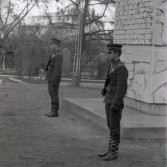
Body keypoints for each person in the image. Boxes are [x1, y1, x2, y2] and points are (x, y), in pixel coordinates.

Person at [98, 43, 128, 160]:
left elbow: (122, 88)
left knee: (115, 127)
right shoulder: (113, 65)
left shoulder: (121, 68)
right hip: (109, 98)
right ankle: (110, 149)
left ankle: (114, 151)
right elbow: (110, 81)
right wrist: (105, 89)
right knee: (110, 125)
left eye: (110, 53)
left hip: (115, 101)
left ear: (116, 53)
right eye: (108, 52)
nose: (108, 54)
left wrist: (116, 103)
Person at [44, 38, 63, 117]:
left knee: (54, 94)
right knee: (51, 94)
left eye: (51, 44)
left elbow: (57, 69)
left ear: (56, 44)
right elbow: (50, 64)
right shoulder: (53, 54)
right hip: (50, 76)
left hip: (54, 78)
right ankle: (52, 110)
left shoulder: (58, 55)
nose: (50, 46)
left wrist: (54, 80)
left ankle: (55, 111)